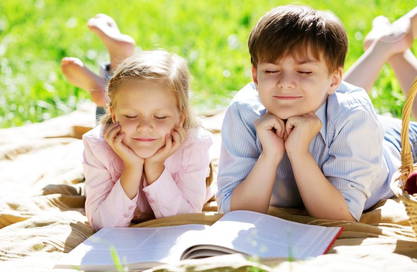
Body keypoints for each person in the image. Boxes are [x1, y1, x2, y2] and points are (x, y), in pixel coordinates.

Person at [217, 5, 417, 222]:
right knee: (321, 94)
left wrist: (299, 153)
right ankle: (381, 47)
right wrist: (270, 155)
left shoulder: (354, 115)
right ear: (255, 77)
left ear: (335, 80)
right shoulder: (243, 111)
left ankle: (387, 48)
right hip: (333, 108)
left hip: (389, 141)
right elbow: (235, 210)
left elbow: (341, 215)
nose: (285, 84)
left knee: (339, 102)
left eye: (304, 72)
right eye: (272, 71)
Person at [82, 50, 213, 231]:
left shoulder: (195, 144)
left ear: (180, 118)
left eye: (160, 117)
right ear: (113, 114)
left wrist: (155, 166)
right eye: (131, 115)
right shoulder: (97, 145)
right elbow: (103, 224)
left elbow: (185, 221)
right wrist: (131, 168)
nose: (144, 127)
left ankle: (114, 61)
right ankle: (112, 64)